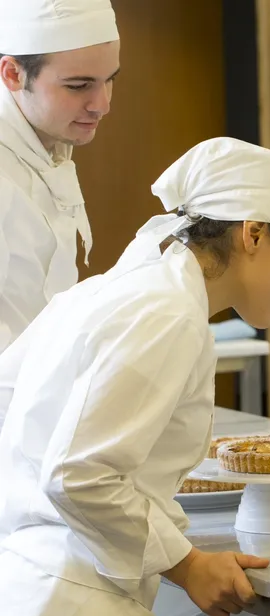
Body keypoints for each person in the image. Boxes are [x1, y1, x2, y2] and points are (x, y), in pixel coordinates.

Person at [0, 137, 270, 616]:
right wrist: (188, 564)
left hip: (34, 591)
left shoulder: (115, 291)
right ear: (255, 232)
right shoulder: (167, 311)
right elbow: (77, 476)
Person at [0, 0, 120, 354]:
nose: (102, 104)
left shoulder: (47, 151)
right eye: (78, 85)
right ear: (13, 74)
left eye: (109, 80)